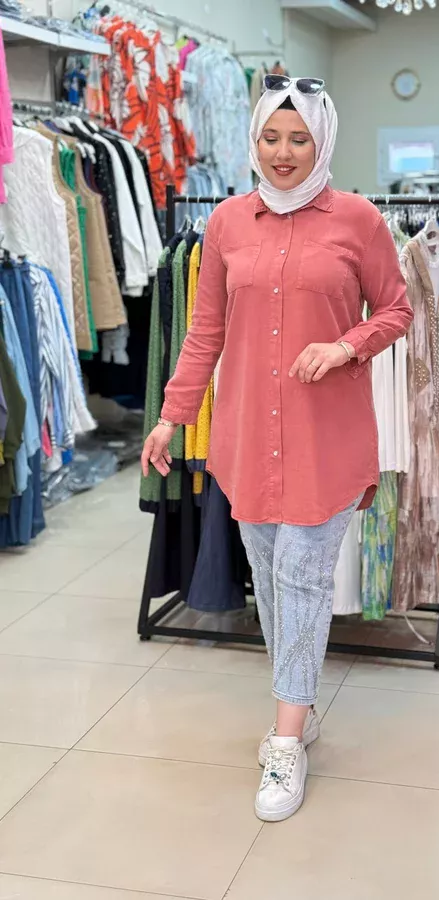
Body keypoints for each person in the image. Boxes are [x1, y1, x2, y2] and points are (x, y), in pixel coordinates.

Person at [141, 75, 413, 822]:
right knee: (269, 581)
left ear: (323, 142)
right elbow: (205, 332)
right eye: (271, 137)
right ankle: (301, 706)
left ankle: (285, 741)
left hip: (326, 439)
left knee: (302, 580)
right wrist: (171, 417)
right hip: (246, 440)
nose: (284, 152)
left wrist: (347, 345)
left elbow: (397, 309)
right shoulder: (227, 222)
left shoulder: (358, 219)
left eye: (299, 138)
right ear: (253, 140)